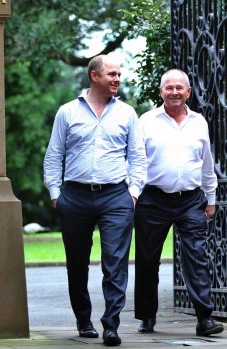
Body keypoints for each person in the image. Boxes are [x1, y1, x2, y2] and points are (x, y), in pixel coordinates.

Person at [43, 55, 147, 346]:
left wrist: (134, 193)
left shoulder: (127, 113)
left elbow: (138, 157)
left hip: (116, 195)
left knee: (115, 262)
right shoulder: (67, 112)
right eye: (112, 74)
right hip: (74, 196)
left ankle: (111, 325)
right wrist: (55, 196)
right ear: (94, 76)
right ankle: (83, 319)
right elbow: (54, 155)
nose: (117, 78)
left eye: (118, 74)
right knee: (77, 263)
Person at [134, 69, 224, 337]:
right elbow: (137, 162)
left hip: (190, 200)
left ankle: (204, 319)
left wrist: (211, 197)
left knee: (197, 256)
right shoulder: (146, 121)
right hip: (153, 200)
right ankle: (147, 316)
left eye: (179, 88)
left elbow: (206, 163)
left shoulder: (199, 122)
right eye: (169, 88)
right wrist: (134, 193)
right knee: (148, 260)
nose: (174, 92)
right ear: (161, 91)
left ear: (188, 92)